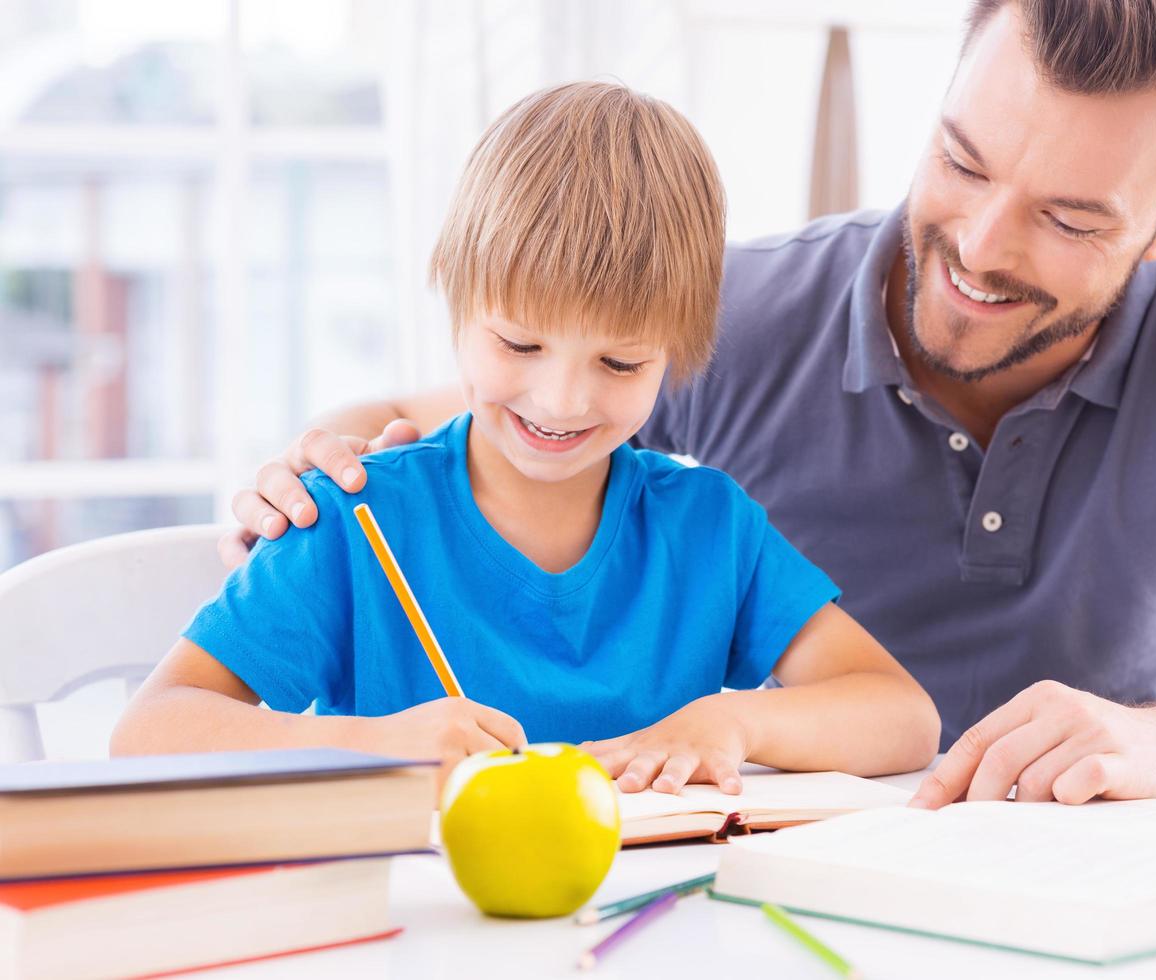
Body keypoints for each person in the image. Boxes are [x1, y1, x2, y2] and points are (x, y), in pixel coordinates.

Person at [223, 0, 1156, 808]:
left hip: (1114, 906)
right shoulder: (737, 314)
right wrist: (316, 452)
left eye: (1068, 217)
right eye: (962, 161)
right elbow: (500, 401)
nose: (977, 246)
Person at [111, 81, 941, 793]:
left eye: (619, 362)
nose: (563, 399)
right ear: (456, 309)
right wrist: (373, 744)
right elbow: (148, 732)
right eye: (519, 345)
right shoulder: (360, 519)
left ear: (677, 357)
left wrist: (730, 722)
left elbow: (901, 718)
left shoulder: (708, 527)